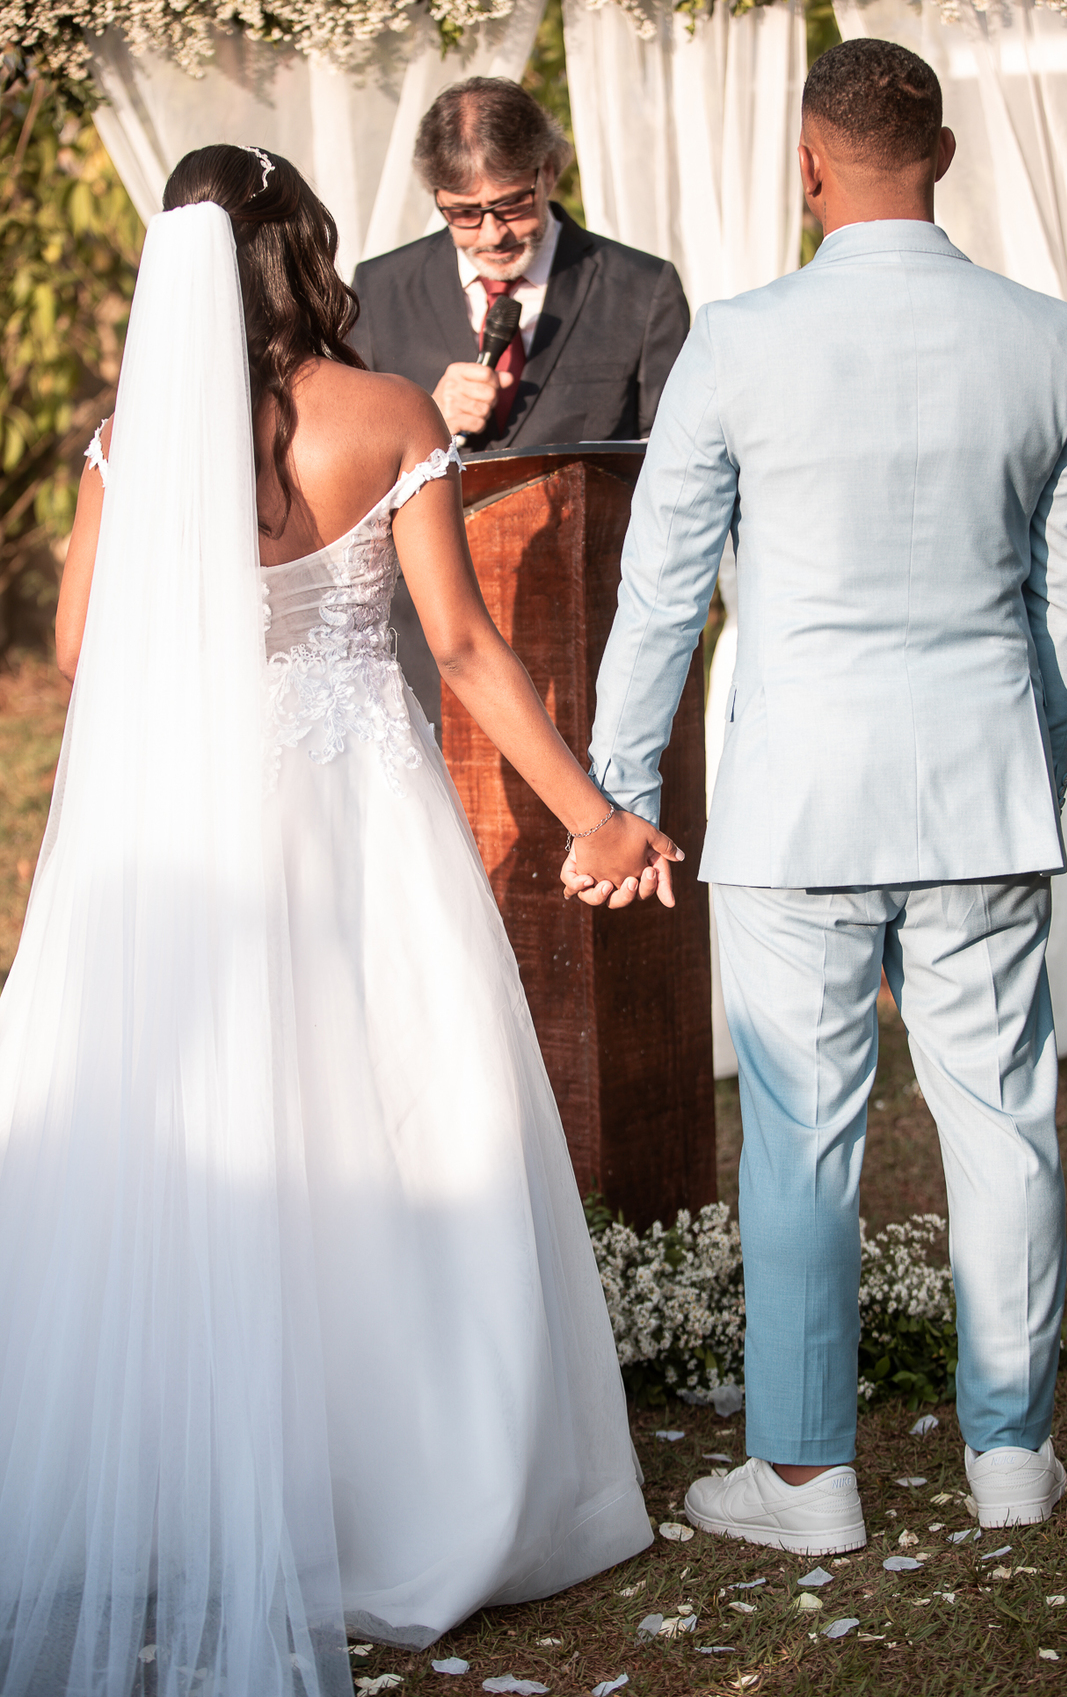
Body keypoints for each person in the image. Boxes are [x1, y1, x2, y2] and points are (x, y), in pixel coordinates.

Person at [0, 146, 675, 1697]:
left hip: (187, 835)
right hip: (360, 828)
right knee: (391, 1125)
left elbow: (81, 644)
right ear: (305, 252)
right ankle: (411, 1497)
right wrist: (594, 816)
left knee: (197, 1132)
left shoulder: (132, 441)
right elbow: (466, 648)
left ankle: (197, 1488)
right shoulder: (385, 417)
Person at [565, 39, 1067, 1553]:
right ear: (945, 155)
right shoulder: (1052, 340)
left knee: (801, 1135)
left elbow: (662, 591)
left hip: (798, 805)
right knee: (1002, 1121)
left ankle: (808, 1481)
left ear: (808, 165)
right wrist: (1029, 767)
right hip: (982, 792)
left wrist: (621, 789)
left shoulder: (738, 344)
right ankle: (1013, 1458)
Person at [351, 76, 691, 730]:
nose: (492, 234)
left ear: (548, 171)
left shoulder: (640, 288)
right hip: (425, 657)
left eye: (511, 204)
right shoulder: (379, 290)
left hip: (587, 647)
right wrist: (424, 421)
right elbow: (343, 480)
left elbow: (677, 477)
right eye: (463, 214)